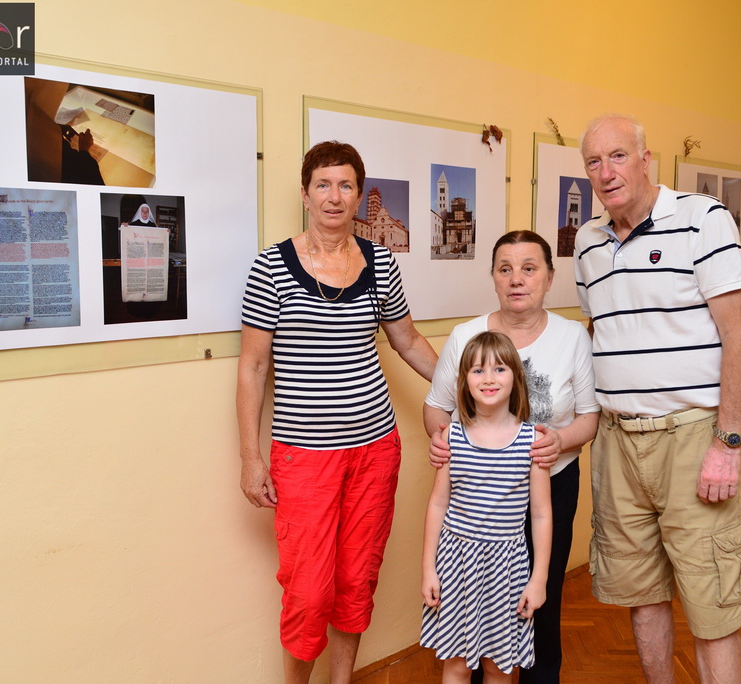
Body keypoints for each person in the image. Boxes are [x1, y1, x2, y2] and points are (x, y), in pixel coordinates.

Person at [237, 141, 437, 684]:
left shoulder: (379, 262)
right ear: (305, 194)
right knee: (307, 591)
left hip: (375, 452)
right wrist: (251, 458)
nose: (334, 196)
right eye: (323, 184)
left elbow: (408, 341)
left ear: (358, 196)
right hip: (304, 458)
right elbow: (254, 368)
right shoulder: (271, 267)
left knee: (356, 579)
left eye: (345, 185)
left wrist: (461, 390)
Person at [573, 114, 741, 683]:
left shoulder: (703, 219)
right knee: (641, 593)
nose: (606, 172)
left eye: (618, 156)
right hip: (617, 443)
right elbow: (602, 332)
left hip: (691, 437)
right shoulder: (586, 243)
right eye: (594, 163)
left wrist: (727, 442)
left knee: (712, 603)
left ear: (646, 158)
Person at [425, 230, 600, 683]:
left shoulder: (571, 338)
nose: (517, 279)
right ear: (493, 278)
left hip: (550, 484)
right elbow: (436, 407)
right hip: (476, 493)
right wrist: (443, 441)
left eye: (529, 268)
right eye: (505, 269)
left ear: (549, 277)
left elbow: (589, 419)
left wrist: (558, 442)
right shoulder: (468, 335)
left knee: (538, 595)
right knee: (475, 603)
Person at [421, 331, 552, 683]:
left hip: (507, 567)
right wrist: (428, 569)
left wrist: (538, 579)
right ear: (463, 381)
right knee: (458, 664)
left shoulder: (533, 441)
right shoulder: (451, 435)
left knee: (500, 666)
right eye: (478, 371)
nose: (489, 378)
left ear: (516, 378)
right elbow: (437, 503)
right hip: (456, 563)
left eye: (499, 369)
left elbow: (540, 514)